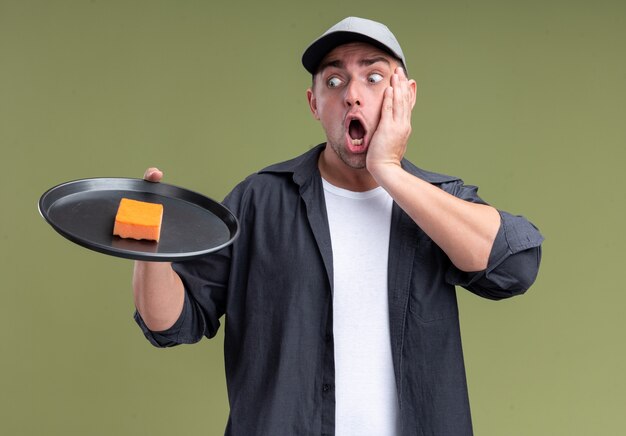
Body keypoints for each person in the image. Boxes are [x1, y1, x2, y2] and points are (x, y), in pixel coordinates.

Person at [133, 17, 543, 436]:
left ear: (406, 95)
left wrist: (389, 170)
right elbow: (172, 322)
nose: (352, 95)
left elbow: (514, 267)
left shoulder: (437, 202)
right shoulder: (259, 201)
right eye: (334, 81)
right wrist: (148, 247)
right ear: (314, 103)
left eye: (374, 76)